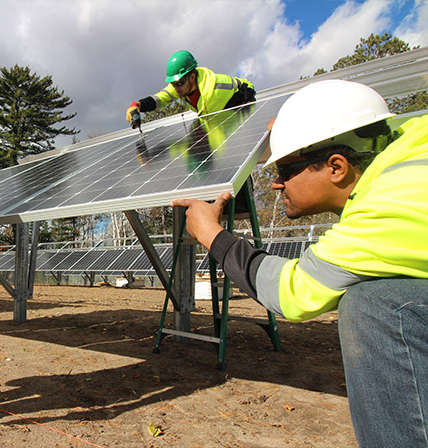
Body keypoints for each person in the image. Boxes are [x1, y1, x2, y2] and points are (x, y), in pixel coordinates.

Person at [170, 79, 428, 447]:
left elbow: (293, 291)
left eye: (285, 171)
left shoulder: (390, 210)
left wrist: (212, 235)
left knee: (373, 306)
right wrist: (292, 134)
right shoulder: (409, 142)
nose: (275, 184)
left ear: (337, 166)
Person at [126, 50, 256, 126]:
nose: (175, 88)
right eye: (173, 84)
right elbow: (161, 98)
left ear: (192, 77)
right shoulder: (183, 85)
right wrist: (138, 105)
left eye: (179, 84)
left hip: (235, 112)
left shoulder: (211, 94)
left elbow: (216, 139)